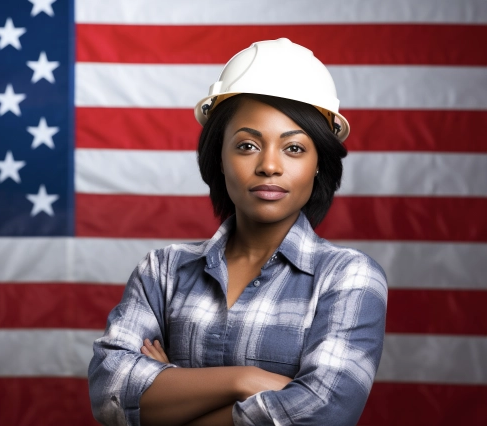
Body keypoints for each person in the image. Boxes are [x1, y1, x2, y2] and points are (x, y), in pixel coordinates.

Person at [88, 38, 388, 426]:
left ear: (318, 163)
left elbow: (325, 412)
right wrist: (246, 381)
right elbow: (110, 394)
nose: (269, 166)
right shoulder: (163, 269)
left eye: (294, 148)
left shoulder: (349, 277)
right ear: (220, 156)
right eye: (247, 145)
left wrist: (172, 387)